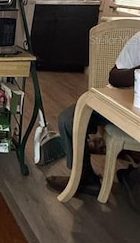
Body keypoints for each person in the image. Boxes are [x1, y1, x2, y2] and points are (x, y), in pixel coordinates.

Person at [46, 30, 140, 202]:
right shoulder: (139, 40)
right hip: (119, 102)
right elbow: (115, 77)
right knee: (69, 119)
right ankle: (83, 177)